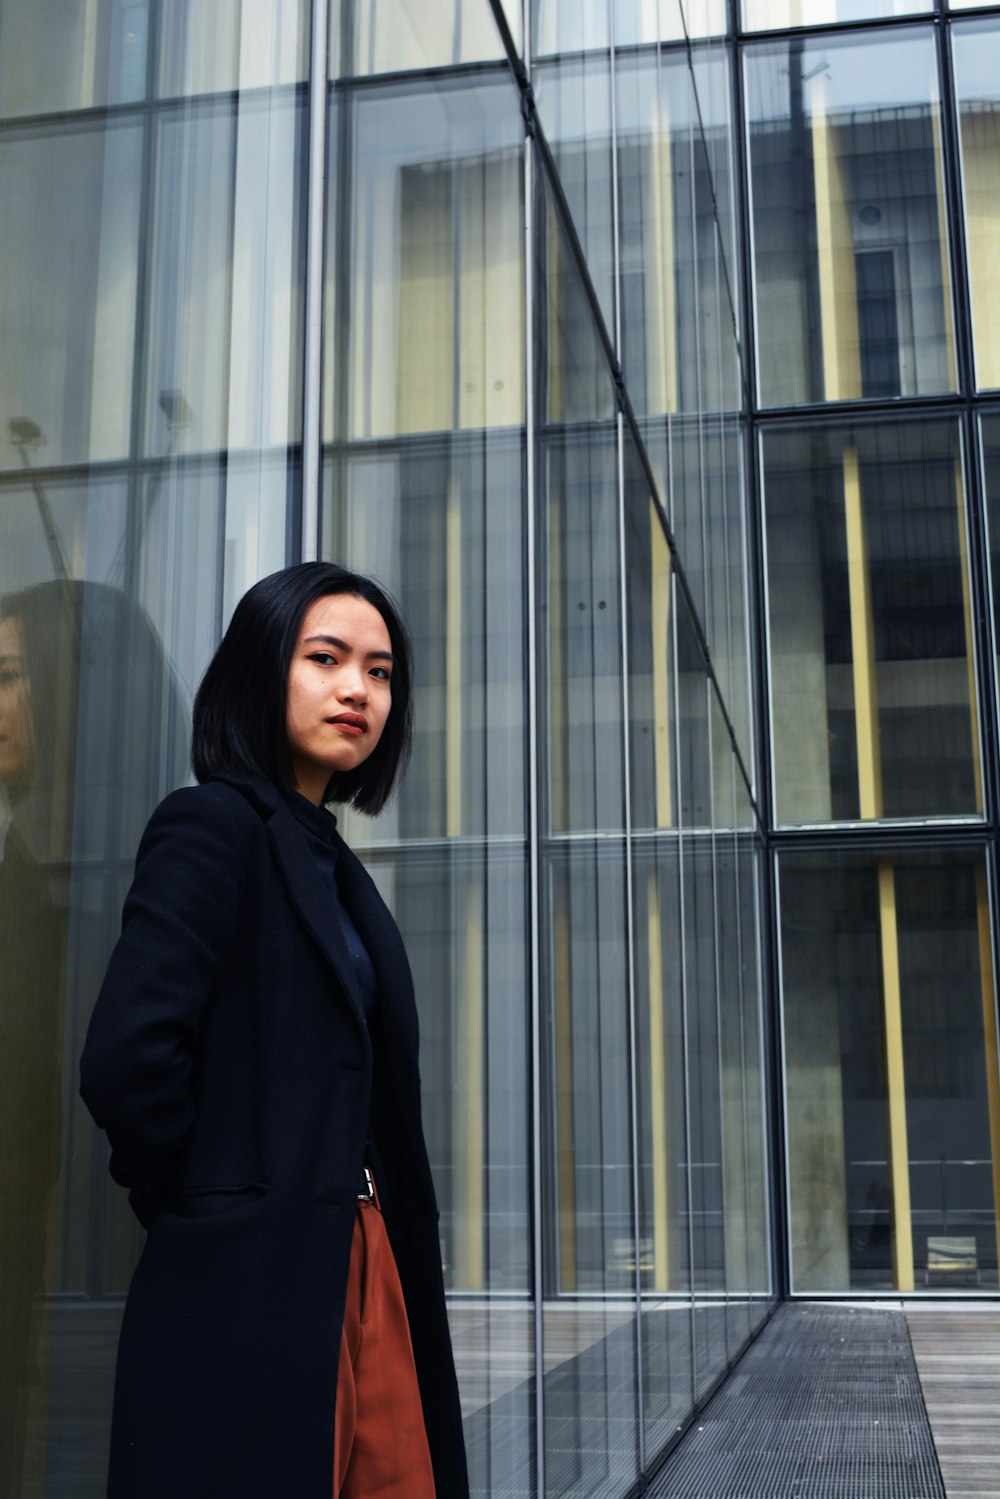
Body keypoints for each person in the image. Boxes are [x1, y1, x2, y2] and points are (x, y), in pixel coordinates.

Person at [80, 562, 468, 1499]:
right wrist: (213, 1204)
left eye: (380, 672)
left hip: (367, 1259)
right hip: (251, 1277)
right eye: (326, 657)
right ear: (262, 670)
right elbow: (129, 1060)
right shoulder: (212, 826)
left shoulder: (333, 862)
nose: (357, 690)